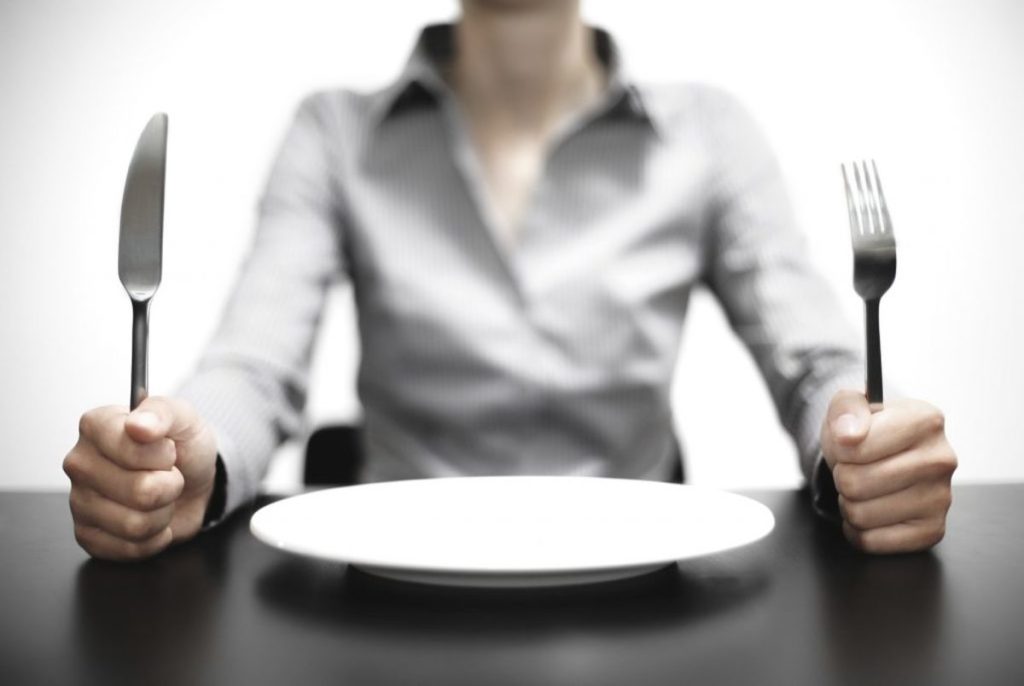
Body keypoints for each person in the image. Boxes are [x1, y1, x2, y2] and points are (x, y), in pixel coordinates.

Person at [63, 0, 956, 561]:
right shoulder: (332, 132)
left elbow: (815, 363)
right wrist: (187, 457)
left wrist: (864, 448)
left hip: (643, 589)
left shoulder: (710, 132)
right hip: (389, 590)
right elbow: (254, 368)